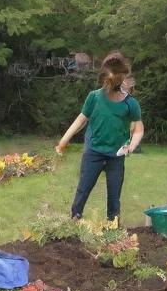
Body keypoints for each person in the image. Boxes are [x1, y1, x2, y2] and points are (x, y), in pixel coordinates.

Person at [56, 51, 144, 223]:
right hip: (93, 153)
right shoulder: (94, 97)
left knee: (114, 196)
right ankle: (74, 221)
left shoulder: (130, 103)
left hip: (115, 157)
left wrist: (130, 147)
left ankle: (113, 228)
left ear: (121, 78)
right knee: (83, 190)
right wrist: (63, 141)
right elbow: (80, 120)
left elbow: (139, 129)